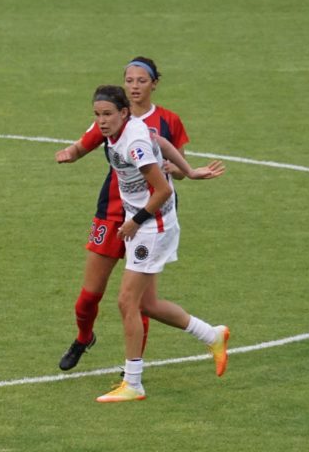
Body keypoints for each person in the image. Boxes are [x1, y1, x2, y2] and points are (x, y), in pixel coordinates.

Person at [54, 57, 224, 370]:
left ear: (154, 84)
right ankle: (83, 338)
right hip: (112, 212)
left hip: (147, 217)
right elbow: (84, 145)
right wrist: (70, 153)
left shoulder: (163, 122)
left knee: (136, 301)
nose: (134, 86)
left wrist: (184, 171)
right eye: (129, 80)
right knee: (90, 297)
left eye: (141, 80)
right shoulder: (111, 118)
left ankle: (132, 369)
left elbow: (168, 173)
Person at [81, 85, 230, 402]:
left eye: (107, 115)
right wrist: (189, 171)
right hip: (147, 221)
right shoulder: (130, 129)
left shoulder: (133, 141)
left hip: (153, 225)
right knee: (147, 303)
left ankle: (133, 383)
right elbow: (160, 140)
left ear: (123, 113)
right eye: (97, 115)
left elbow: (161, 190)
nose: (102, 122)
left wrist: (134, 221)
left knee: (126, 302)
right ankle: (213, 335)